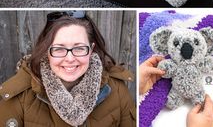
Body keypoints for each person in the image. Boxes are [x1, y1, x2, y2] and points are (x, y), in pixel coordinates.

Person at [0, 11, 136, 127]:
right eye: (59, 49)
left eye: (79, 48)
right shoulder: (19, 97)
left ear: (91, 49)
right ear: (46, 51)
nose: (70, 58)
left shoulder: (117, 89)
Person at [139, 56, 213, 127]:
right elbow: (165, 68)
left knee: (200, 100)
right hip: (178, 91)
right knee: (173, 101)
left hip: (197, 91)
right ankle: (176, 98)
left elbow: (210, 64)